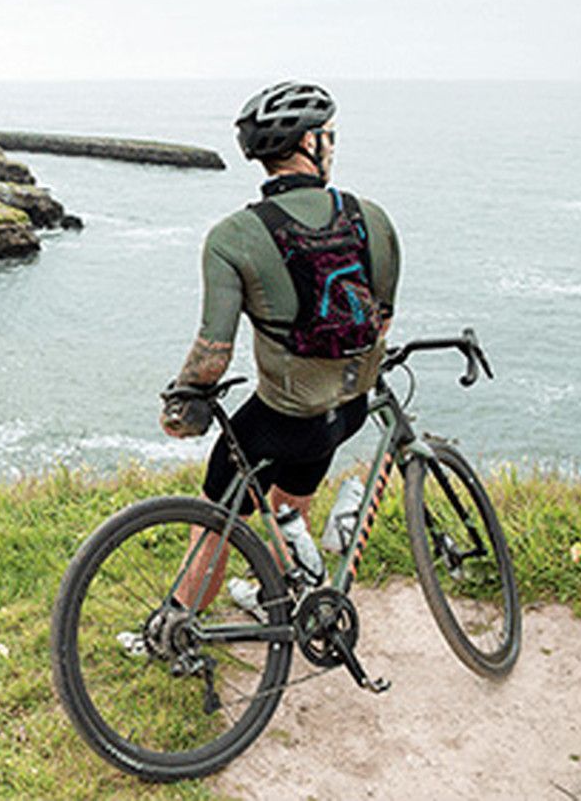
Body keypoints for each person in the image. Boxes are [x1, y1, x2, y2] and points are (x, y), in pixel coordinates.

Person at [161, 80, 401, 614]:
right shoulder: (374, 219)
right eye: (330, 136)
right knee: (291, 501)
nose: (332, 146)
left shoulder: (232, 237)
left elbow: (212, 352)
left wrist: (183, 405)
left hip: (282, 417)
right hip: (349, 409)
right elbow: (380, 321)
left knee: (216, 519)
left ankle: (176, 625)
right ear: (312, 143)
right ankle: (291, 597)